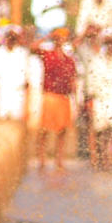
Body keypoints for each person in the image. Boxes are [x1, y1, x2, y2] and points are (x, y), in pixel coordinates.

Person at [32, 27, 77, 170]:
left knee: (62, 131)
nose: (60, 40)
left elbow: (73, 81)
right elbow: (33, 47)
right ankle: (42, 159)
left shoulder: (69, 60)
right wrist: (48, 36)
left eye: (62, 38)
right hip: (50, 96)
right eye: (58, 38)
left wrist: (75, 99)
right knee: (44, 129)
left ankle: (59, 159)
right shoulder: (48, 54)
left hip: (64, 97)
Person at [85, 29, 112, 169]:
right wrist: (91, 101)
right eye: (107, 42)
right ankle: (102, 160)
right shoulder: (96, 60)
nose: (110, 45)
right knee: (101, 132)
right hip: (100, 100)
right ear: (103, 43)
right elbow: (90, 82)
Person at [0, 26, 30, 121]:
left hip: (18, 91)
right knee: (1, 119)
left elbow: (27, 73)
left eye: (14, 37)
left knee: (17, 119)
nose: (11, 39)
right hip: (3, 90)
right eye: (9, 36)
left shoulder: (23, 53)